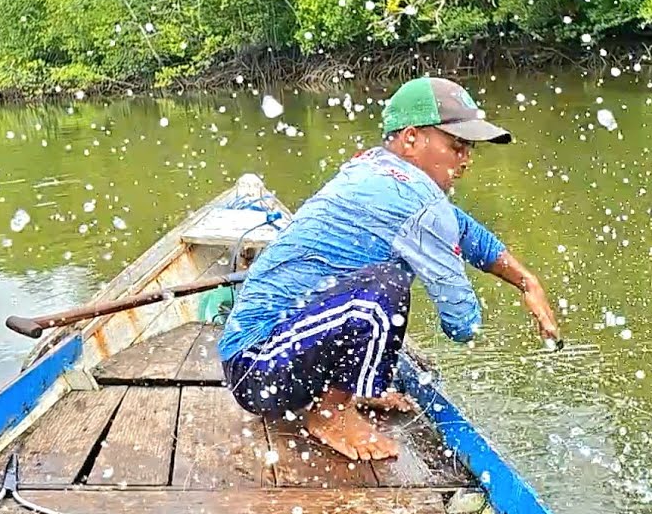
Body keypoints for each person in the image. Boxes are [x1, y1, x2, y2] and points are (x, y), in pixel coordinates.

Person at [218, 76, 560, 461]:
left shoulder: (376, 169)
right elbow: (461, 324)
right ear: (411, 138)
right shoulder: (413, 199)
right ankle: (331, 413)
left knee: (381, 280)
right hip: (258, 369)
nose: (465, 160)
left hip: (264, 358)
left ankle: (352, 388)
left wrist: (525, 280)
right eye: (456, 145)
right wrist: (468, 319)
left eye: (469, 149)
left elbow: (463, 231)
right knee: (388, 284)